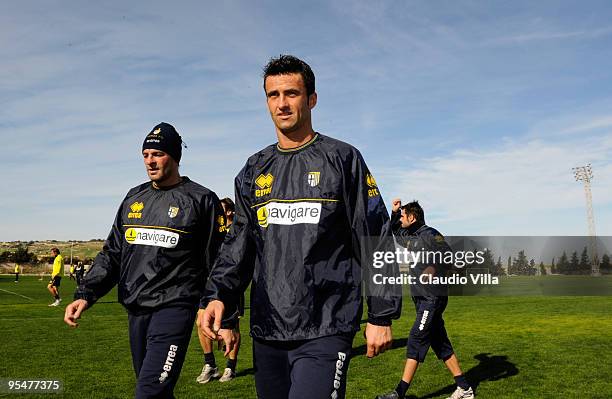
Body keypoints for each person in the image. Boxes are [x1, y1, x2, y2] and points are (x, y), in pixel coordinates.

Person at [199, 55, 401, 399]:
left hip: (326, 324)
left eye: (291, 93)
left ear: (311, 99)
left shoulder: (343, 159)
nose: (282, 103)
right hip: (268, 327)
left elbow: (375, 237)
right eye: (273, 95)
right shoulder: (254, 168)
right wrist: (219, 295)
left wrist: (381, 315)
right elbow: (238, 245)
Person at [63, 122, 225, 399]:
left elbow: (219, 261)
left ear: (174, 156)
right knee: (156, 391)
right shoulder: (134, 197)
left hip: (175, 307)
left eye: (157, 154)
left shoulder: (201, 199)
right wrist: (86, 293)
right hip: (137, 308)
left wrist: (227, 316)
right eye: (145, 155)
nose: (150, 161)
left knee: (149, 391)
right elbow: (113, 252)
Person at [376, 199, 474, 399]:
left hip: (432, 298)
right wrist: (395, 213)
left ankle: (399, 393)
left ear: (412, 217)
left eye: (403, 216)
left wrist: (433, 269)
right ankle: (465, 388)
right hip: (422, 299)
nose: (401, 220)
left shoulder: (431, 235)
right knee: (440, 343)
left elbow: (448, 256)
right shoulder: (412, 237)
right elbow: (396, 231)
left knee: (416, 338)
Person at [195, 197, 243, 384]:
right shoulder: (212, 230)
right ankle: (210, 364)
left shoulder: (238, 230)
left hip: (231, 284)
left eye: (221, 210)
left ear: (230, 212)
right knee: (200, 321)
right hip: (208, 283)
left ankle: (230, 366)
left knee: (232, 326)